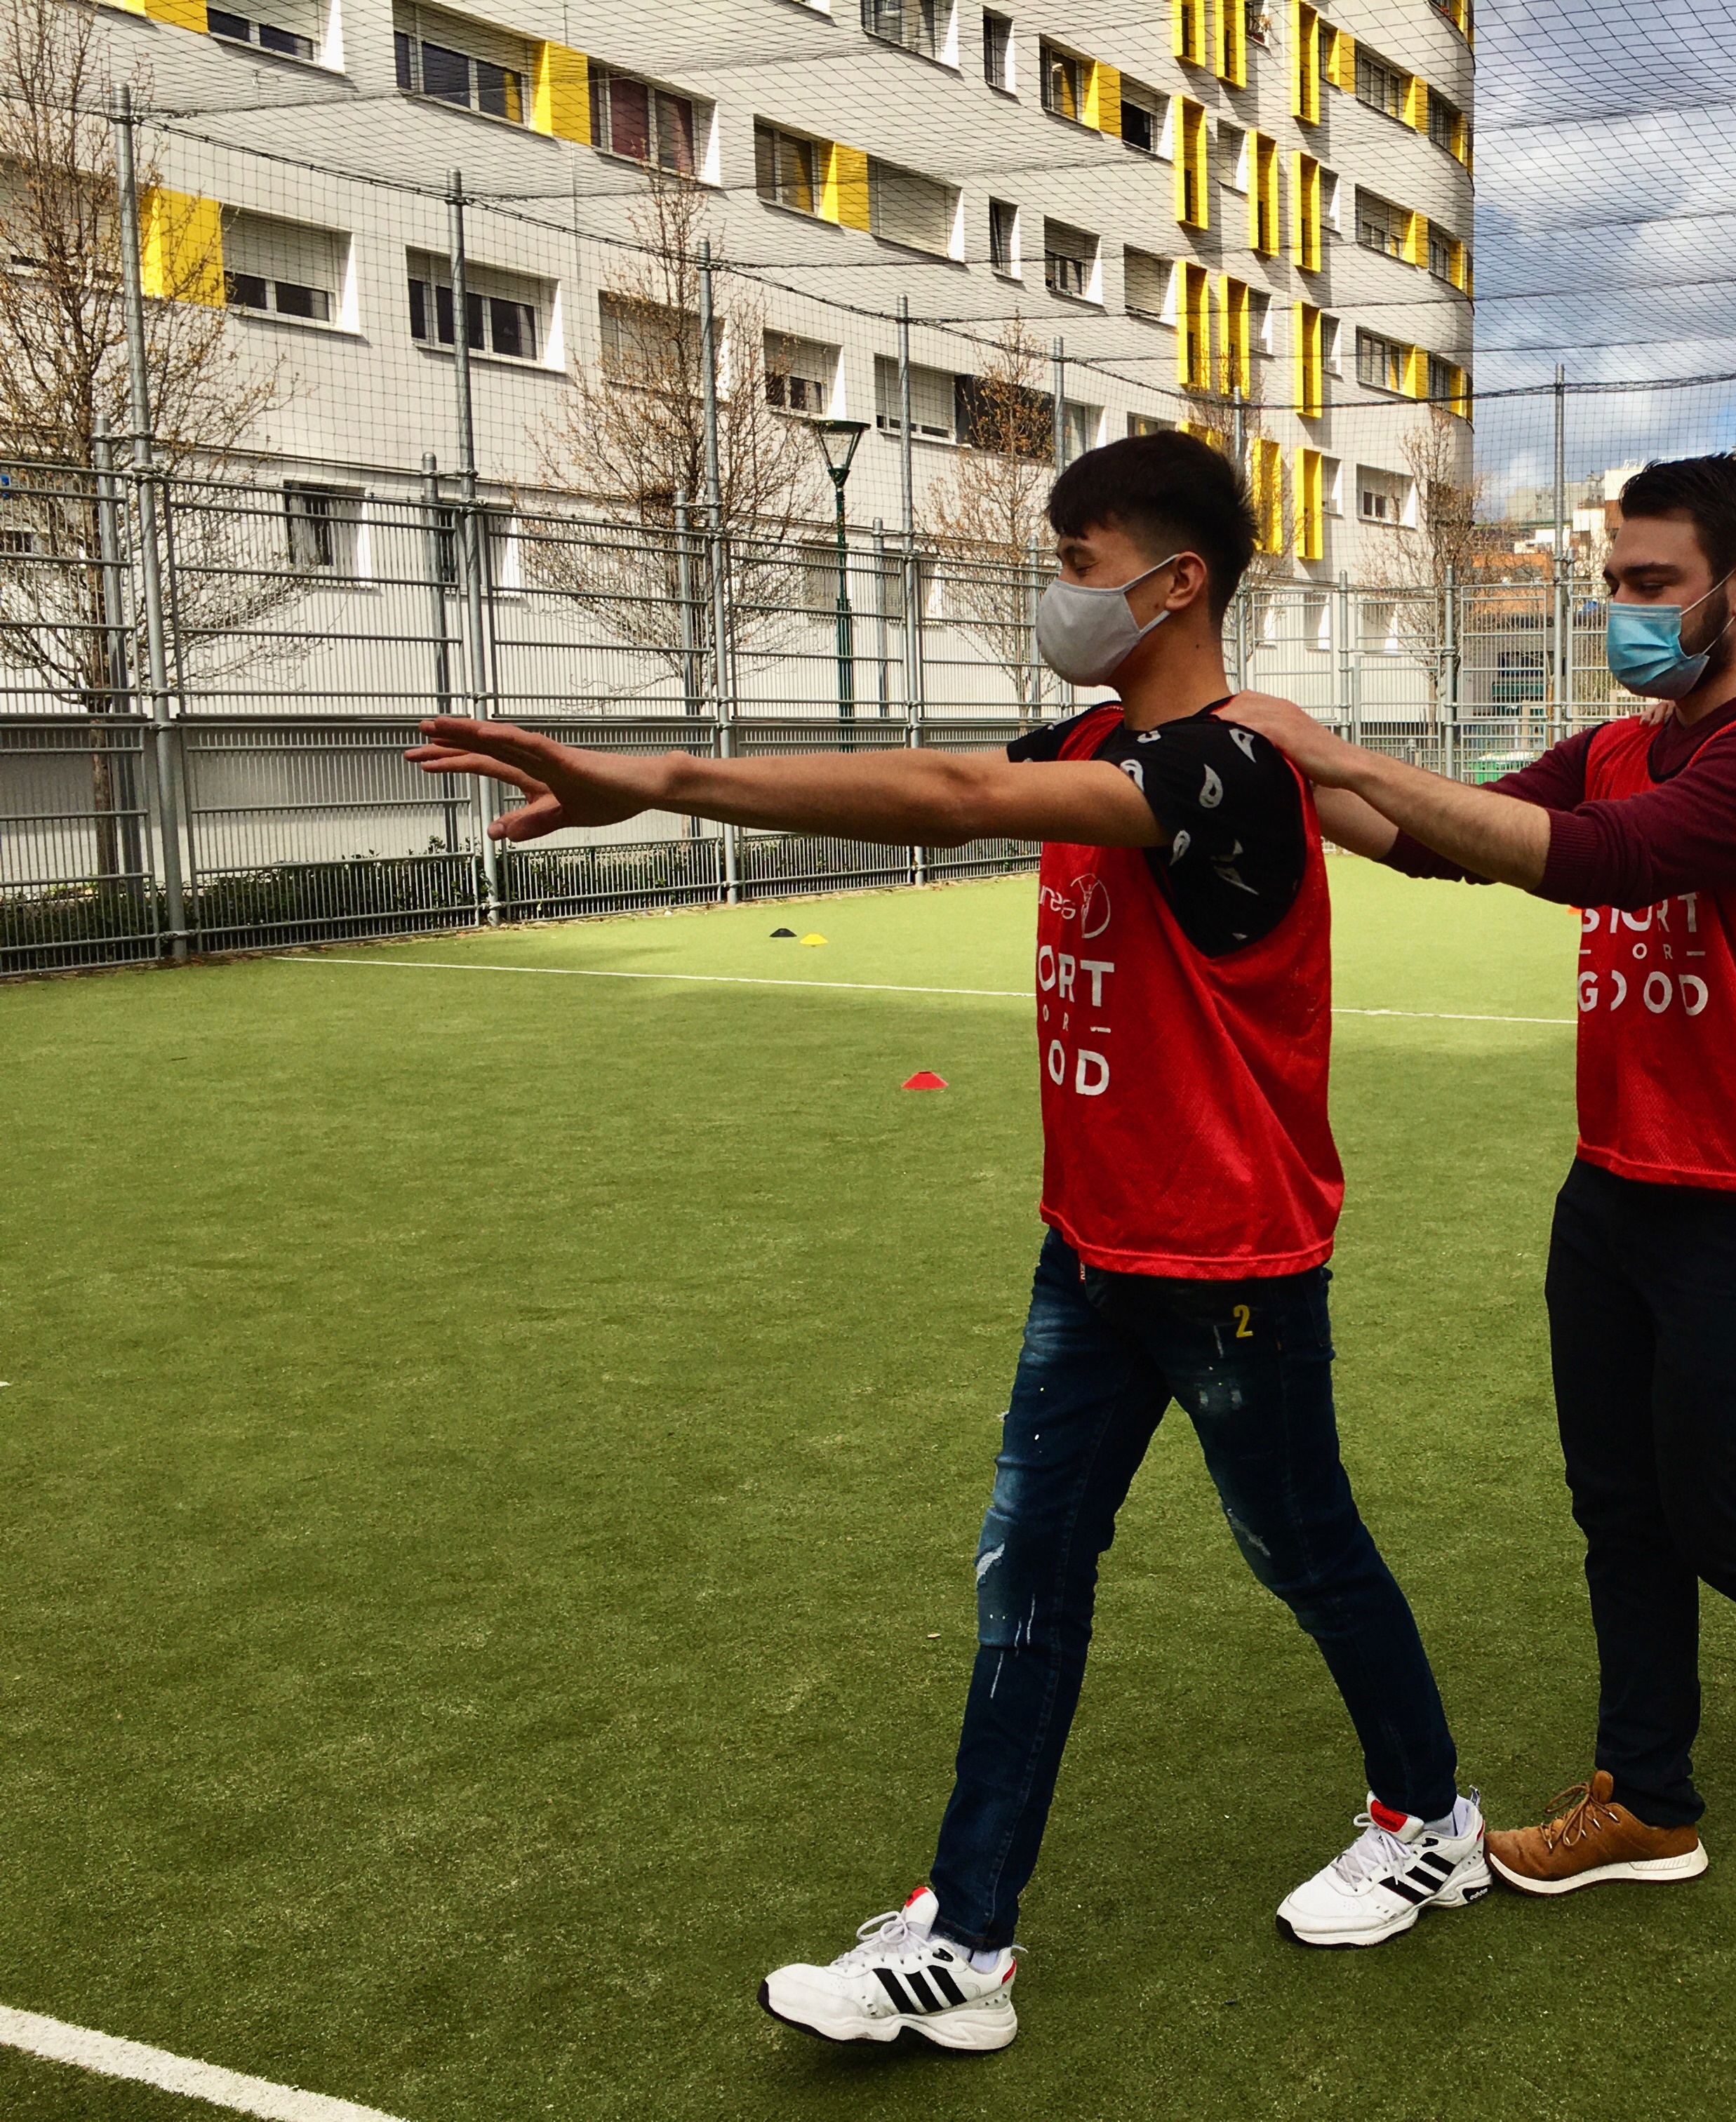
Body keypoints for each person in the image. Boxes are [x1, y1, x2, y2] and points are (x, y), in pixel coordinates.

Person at [405, 434, 1483, 2055]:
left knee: (1304, 1552)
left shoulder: (1224, 773)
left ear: (1175, 580)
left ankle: (1428, 1820)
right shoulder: (1100, 737)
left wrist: (665, 779)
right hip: (1096, 1252)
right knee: (1027, 1577)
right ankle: (963, 1940)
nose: (1052, 592)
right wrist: (676, 789)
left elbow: (963, 795)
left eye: (1074, 559)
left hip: (1230, 1264)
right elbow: (932, 781)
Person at [1222, 454, 1736, 1888]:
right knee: (1619, 1510)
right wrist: (1263, 770)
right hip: (1618, 1190)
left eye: (1650, 585)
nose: (1618, 610)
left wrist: (1335, 749)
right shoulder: (1623, 741)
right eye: (1612, 582)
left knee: (1725, 1516)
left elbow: (1605, 864)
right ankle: (1648, 1798)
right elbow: (1443, 843)